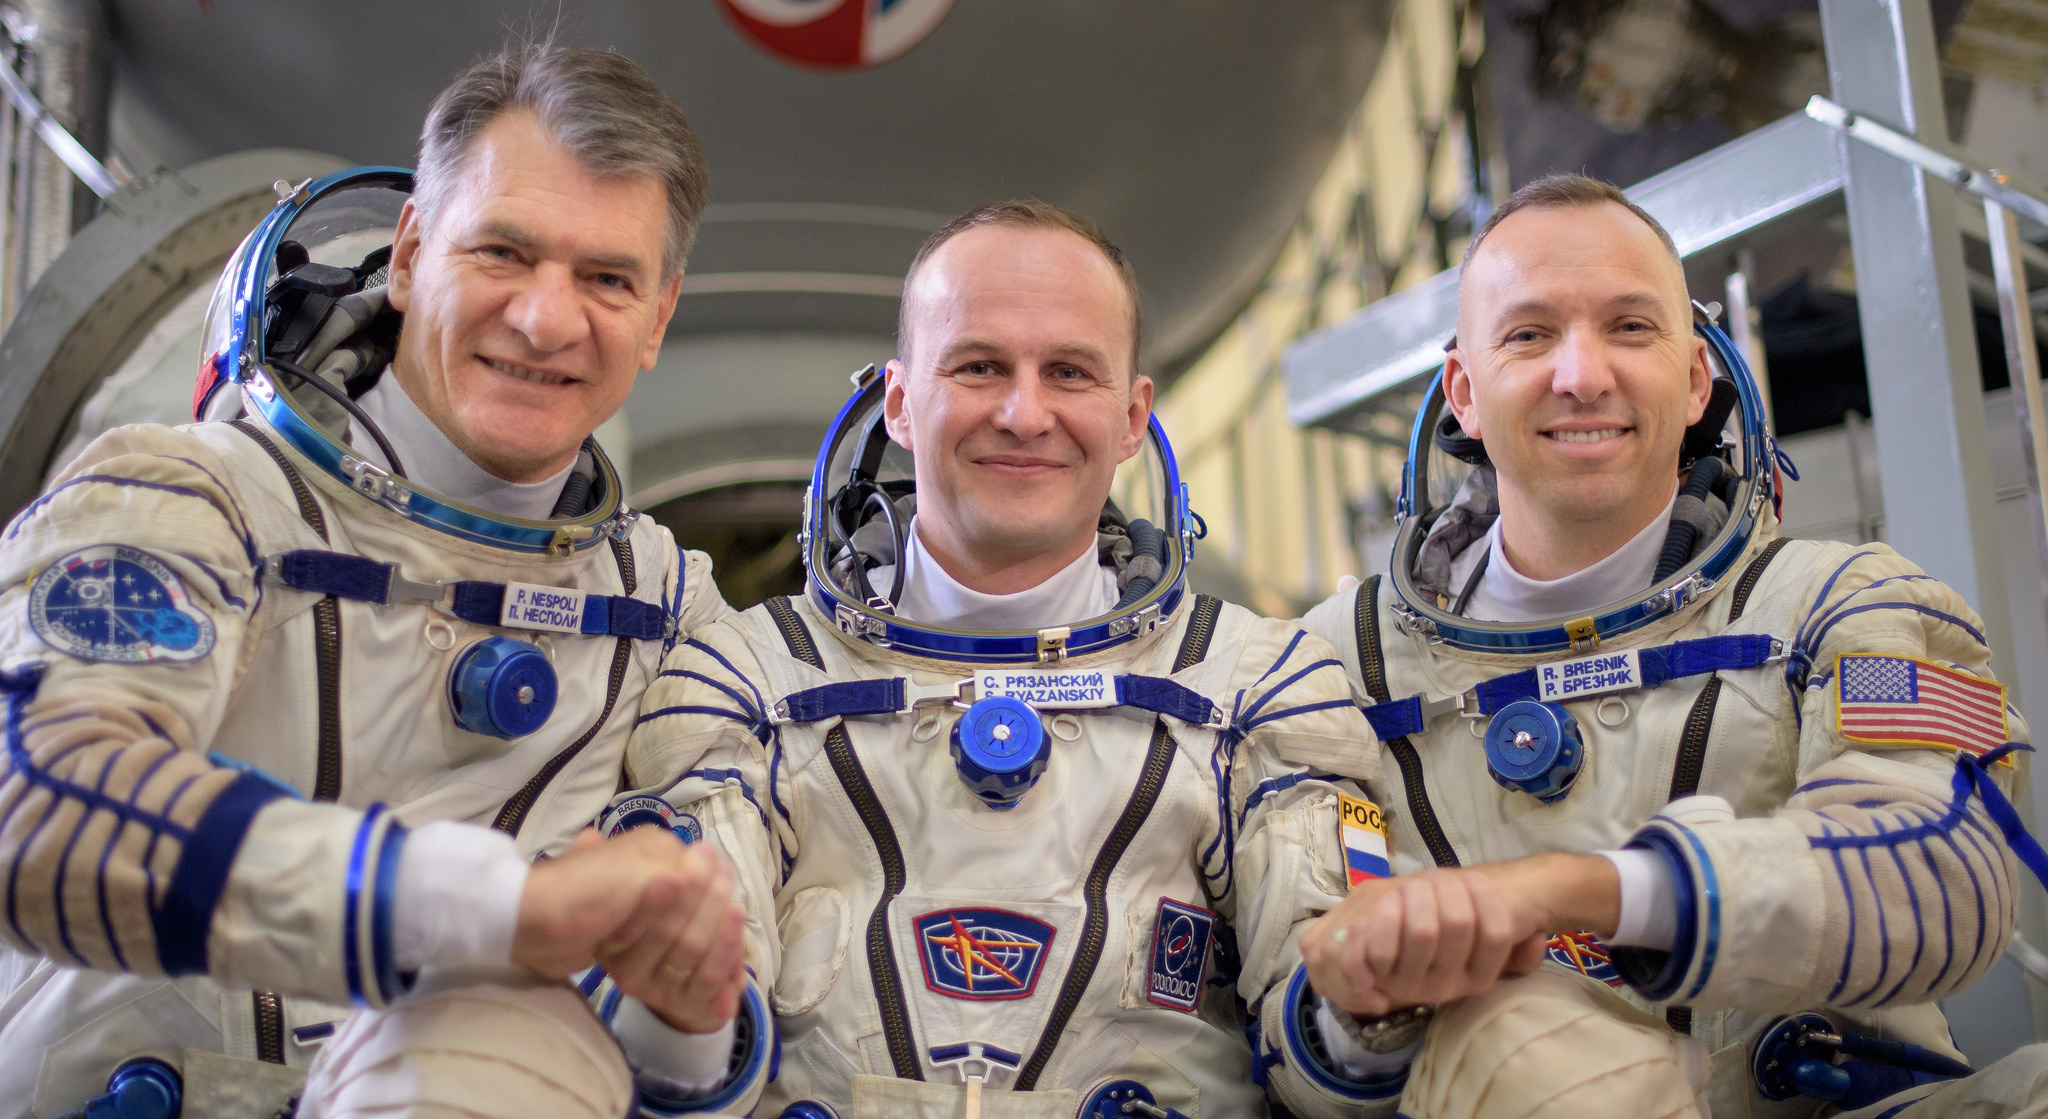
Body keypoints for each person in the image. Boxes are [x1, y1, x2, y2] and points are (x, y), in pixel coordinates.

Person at [0, 43, 750, 1119]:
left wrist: (688, 1020)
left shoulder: (667, 611)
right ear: (408, 254)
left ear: (657, 322)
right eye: (502, 251)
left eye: (606, 279)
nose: (546, 320)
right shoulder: (188, 500)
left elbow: (703, 989)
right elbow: (38, 807)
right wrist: (478, 911)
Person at [548, 200, 1408, 1118]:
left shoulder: (1255, 687)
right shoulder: (747, 680)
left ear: (1130, 416)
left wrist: (1368, 1000)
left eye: (1069, 371)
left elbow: (1337, 1067)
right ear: (902, 402)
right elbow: (691, 1062)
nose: (1023, 411)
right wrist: (679, 1002)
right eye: (979, 365)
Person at [1295, 172, 2048, 1117]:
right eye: (1529, 335)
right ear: (1464, 393)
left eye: (1630, 327)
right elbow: (1282, 1004)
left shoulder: (1845, 602)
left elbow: (1944, 879)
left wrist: (1587, 891)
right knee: (1513, 1046)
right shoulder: (1335, 664)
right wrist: (1359, 1010)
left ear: (1696, 379)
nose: (1582, 374)